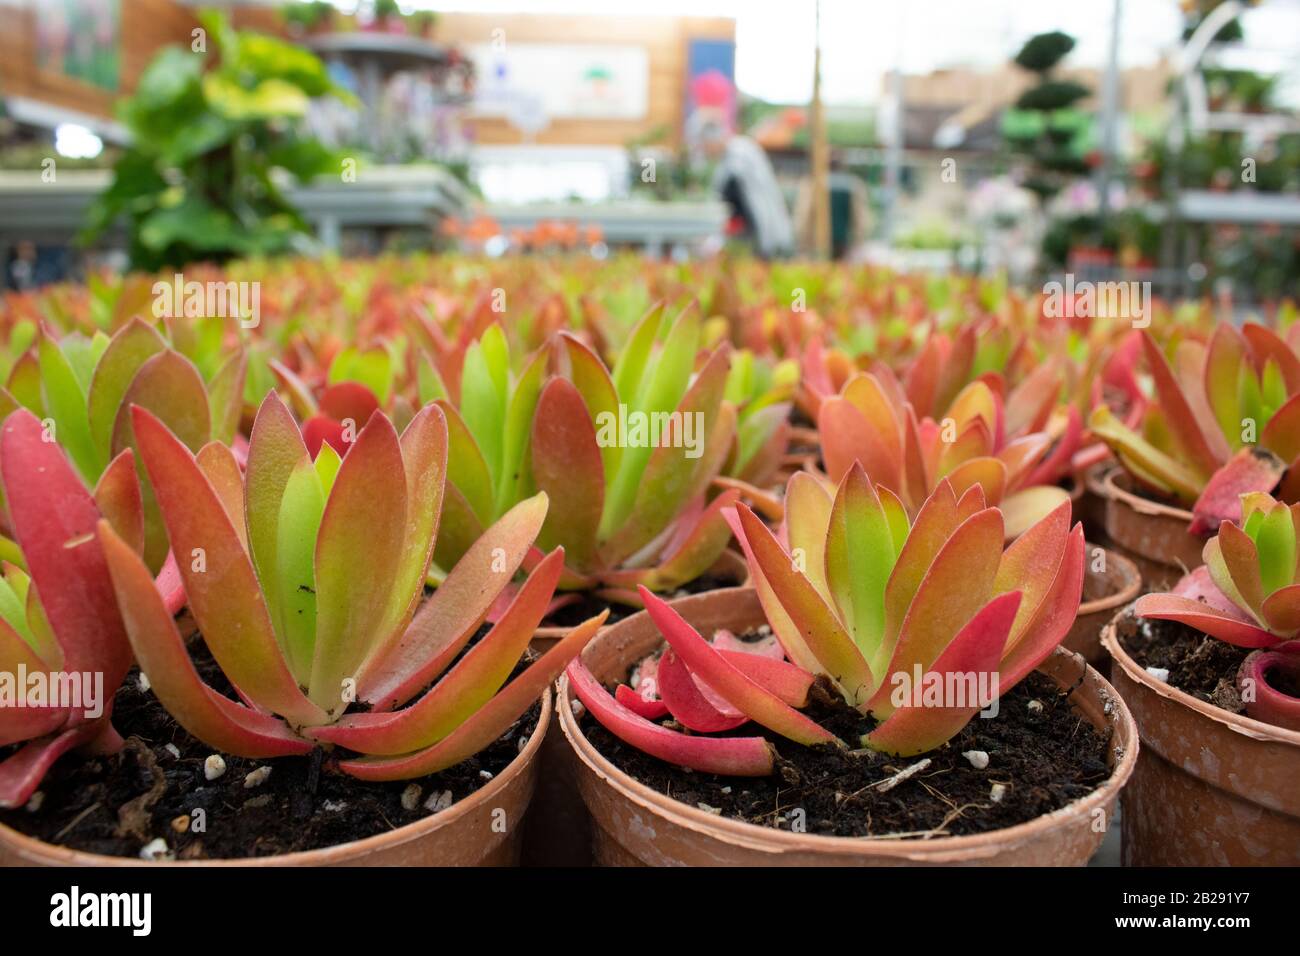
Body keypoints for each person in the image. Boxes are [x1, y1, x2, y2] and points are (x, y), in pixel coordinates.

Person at [689, 111, 794, 259]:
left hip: (762, 229)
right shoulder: (731, 155)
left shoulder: (740, 154)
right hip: (755, 228)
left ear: (711, 140)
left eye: (704, 146)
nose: (706, 152)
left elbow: (737, 201)